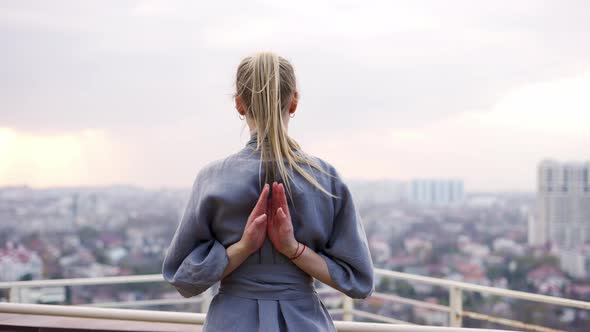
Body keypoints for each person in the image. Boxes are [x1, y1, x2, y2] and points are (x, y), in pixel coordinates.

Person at [162, 51, 374, 331]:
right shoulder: (325, 179)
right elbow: (359, 281)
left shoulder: (213, 178)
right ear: (294, 101)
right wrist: (292, 249)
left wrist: (243, 248)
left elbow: (183, 278)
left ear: (239, 105)